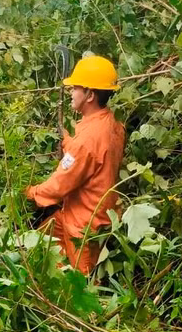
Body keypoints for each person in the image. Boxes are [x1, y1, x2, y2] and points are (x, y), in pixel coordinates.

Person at [26, 55, 125, 274]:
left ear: (90, 94)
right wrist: (68, 140)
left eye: (75, 88)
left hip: (84, 225)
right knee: (40, 244)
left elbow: (60, 184)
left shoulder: (87, 140)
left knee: (86, 286)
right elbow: (92, 158)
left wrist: (32, 192)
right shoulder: (112, 125)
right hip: (80, 214)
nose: (71, 93)